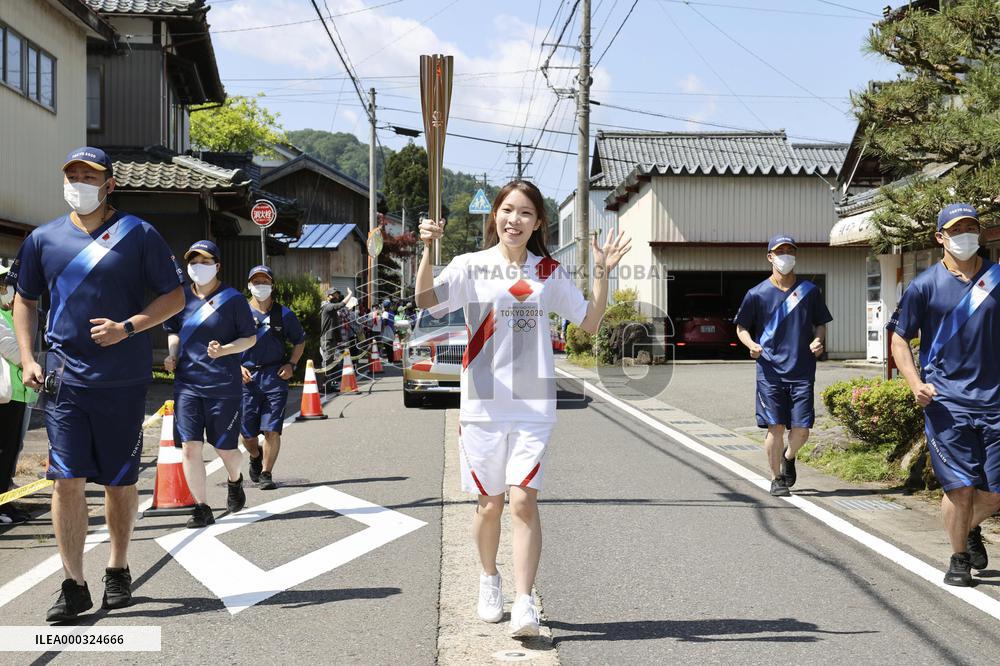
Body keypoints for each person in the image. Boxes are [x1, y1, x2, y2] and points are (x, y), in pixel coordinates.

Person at [416, 180, 631, 638]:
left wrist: (602, 273)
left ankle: (524, 601)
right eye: (508, 210)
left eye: (526, 213)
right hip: (482, 404)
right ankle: (489, 579)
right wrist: (426, 250)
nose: (515, 220)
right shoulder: (470, 266)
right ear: (495, 215)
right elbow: (426, 302)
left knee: (522, 500)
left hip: (533, 405)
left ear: (538, 223)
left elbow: (589, 323)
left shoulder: (548, 271)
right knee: (489, 505)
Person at [11, 147, 185, 622]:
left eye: (90, 175)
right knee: (65, 480)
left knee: (119, 481)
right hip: (64, 380)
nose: (79, 182)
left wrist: (128, 327)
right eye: (72, 174)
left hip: (122, 380)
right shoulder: (43, 239)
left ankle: (118, 567)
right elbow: (24, 300)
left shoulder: (139, 235)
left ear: (110, 184)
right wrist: (27, 357)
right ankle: (73, 583)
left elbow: (175, 295)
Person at [888, 203, 1000, 587]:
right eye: (957, 229)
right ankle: (957, 557)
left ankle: (967, 529)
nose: (966, 234)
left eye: (972, 227)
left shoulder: (996, 280)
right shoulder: (924, 286)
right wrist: (914, 383)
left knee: (994, 493)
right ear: (941, 238)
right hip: (947, 402)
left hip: (995, 401)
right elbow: (900, 337)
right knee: (961, 486)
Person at [163, 241, 256, 528]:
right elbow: (174, 332)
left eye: (204, 262)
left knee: (225, 449)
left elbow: (250, 338)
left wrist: (226, 350)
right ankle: (201, 507)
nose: (197, 267)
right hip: (188, 384)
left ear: (217, 266)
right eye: (193, 262)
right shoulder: (179, 298)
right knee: (190, 447)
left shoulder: (233, 299)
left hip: (223, 386)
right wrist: (173, 355)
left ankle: (235, 480)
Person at [735, 235, 832, 498]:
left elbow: (821, 322)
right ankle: (777, 477)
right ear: (770, 257)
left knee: (801, 430)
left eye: (790, 251)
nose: (786, 256)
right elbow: (741, 326)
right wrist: (751, 344)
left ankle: (789, 457)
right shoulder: (756, 294)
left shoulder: (809, 291)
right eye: (780, 251)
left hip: (802, 370)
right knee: (775, 427)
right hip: (770, 372)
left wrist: (818, 340)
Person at [240, 265, 306, 490]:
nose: (261, 286)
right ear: (249, 285)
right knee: (247, 435)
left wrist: (292, 364)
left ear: (272, 285)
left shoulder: (284, 314)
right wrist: (236, 366)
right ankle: (255, 455)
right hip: (246, 379)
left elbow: (300, 341)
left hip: (274, 377)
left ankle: (266, 473)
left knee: (272, 429)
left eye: (265, 282)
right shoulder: (238, 312)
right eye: (256, 282)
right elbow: (224, 345)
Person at [0, 266, 36, 525]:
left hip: (19, 394)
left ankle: (6, 502)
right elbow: (12, 349)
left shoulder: (12, 314)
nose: (8, 289)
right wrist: (32, 363)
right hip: (6, 395)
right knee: (4, 451)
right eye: (5, 284)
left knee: (10, 452)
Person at [319, 288, 349, 391]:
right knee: (327, 363)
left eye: (337, 295)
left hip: (332, 339)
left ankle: (328, 386)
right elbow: (340, 305)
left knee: (331, 363)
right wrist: (350, 294)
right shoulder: (327, 306)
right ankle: (323, 387)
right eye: (333, 295)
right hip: (327, 340)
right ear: (328, 296)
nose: (336, 297)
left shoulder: (330, 307)